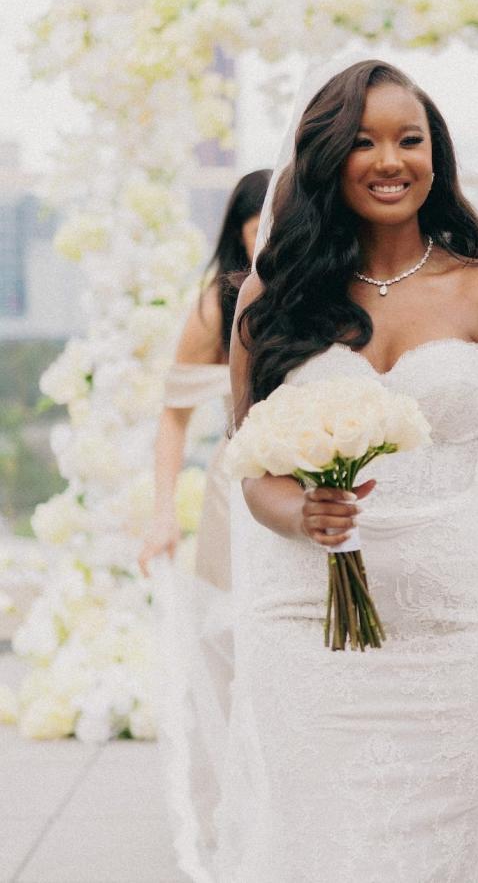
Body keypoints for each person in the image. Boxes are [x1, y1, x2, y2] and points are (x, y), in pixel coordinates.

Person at [221, 60, 478, 881]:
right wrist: (303, 514)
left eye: (409, 140)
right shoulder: (274, 295)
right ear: (326, 159)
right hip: (305, 634)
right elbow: (251, 469)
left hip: (457, 634)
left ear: (435, 157)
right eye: (364, 142)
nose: (390, 160)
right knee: (330, 854)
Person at [137, 167, 270, 882]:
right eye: (261, 219)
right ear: (240, 226)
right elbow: (173, 416)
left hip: (317, 489)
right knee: (229, 649)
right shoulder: (219, 303)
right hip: (233, 492)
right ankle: (225, 812)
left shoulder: (324, 284)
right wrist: (164, 515)